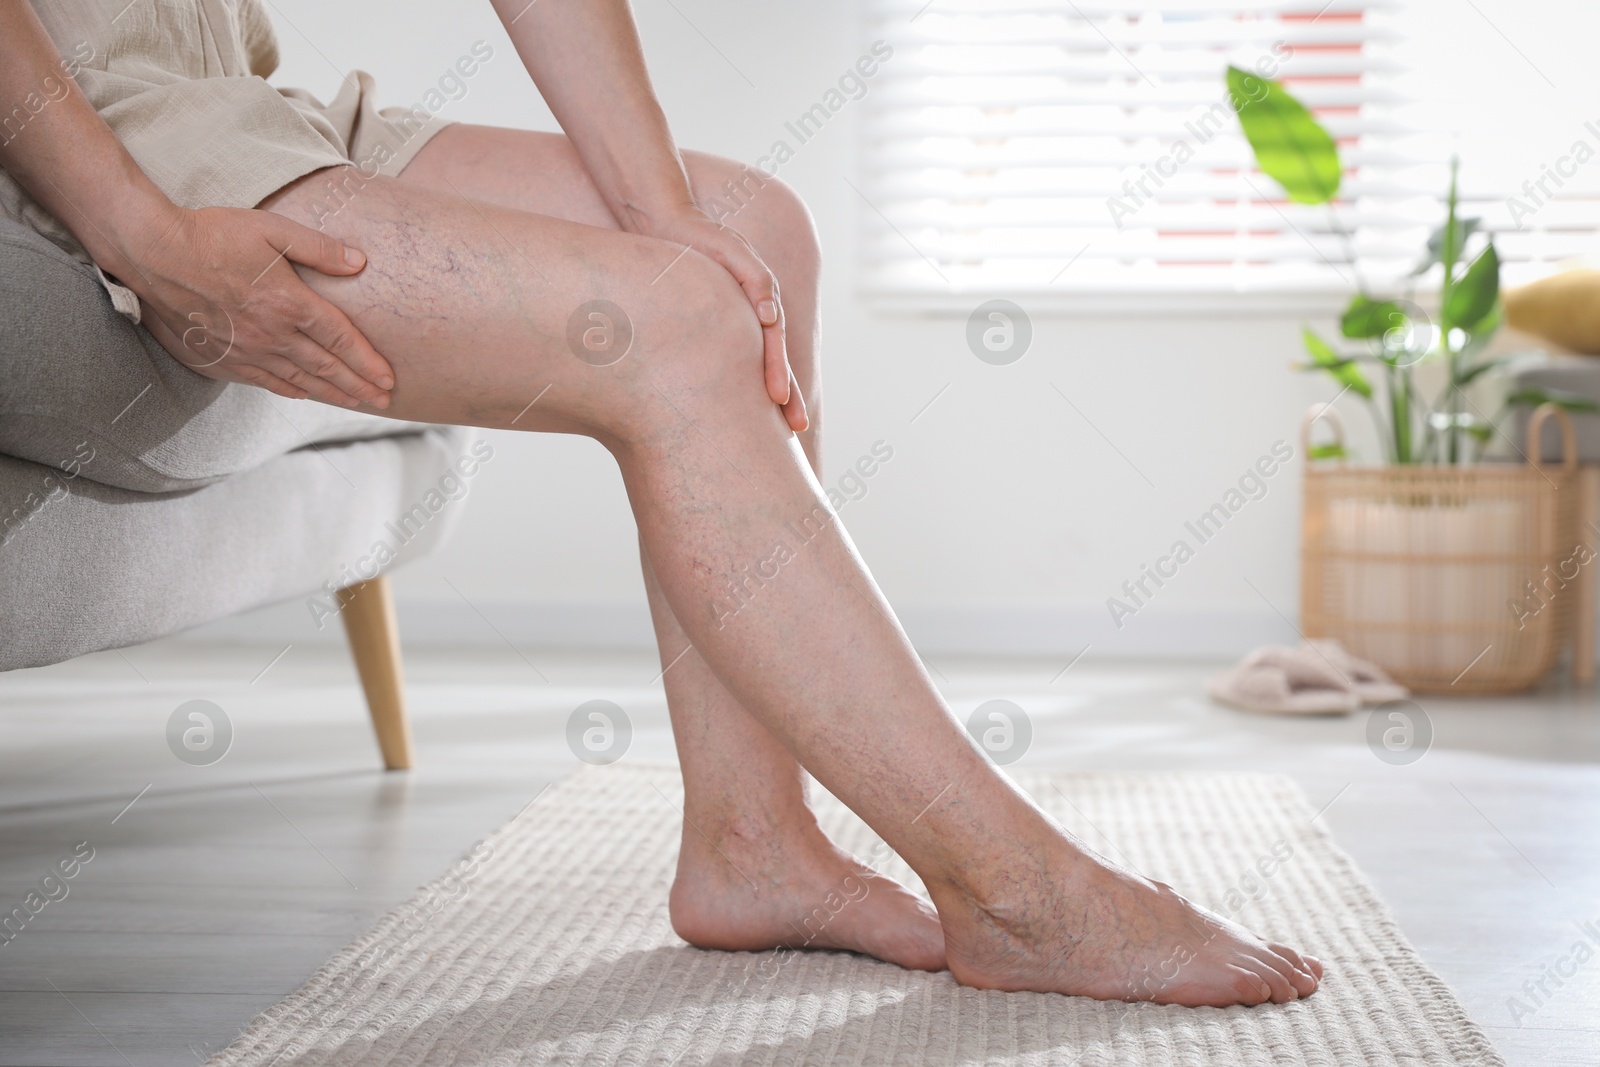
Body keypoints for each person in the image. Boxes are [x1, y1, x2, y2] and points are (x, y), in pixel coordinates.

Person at [0, 0, 1322, 1006]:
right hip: (83, 126)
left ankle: (757, 845)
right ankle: (1021, 891)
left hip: (229, 86)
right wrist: (142, 236)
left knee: (752, 230)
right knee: (678, 326)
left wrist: (662, 212)